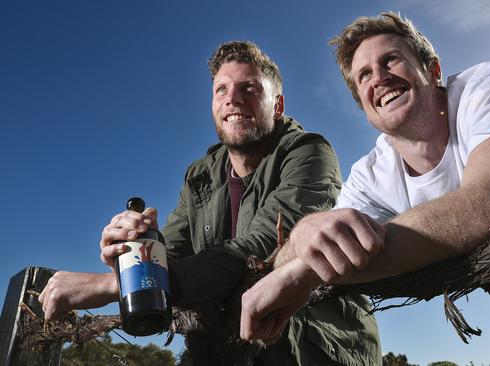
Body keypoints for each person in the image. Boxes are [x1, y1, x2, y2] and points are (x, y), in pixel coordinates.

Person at [239, 13, 490, 366]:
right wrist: (307, 235)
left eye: (391, 60)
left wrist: (304, 272)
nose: (378, 78)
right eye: (363, 75)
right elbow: (327, 241)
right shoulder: (373, 174)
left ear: (432, 70)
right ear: (364, 106)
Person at [38, 40, 381, 366]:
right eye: (222, 90)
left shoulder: (308, 152)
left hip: (312, 349)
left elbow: (265, 249)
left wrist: (113, 286)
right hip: (219, 348)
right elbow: (171, 254)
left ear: (277, 105)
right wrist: (132, 254)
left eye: (249, 88)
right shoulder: (199, 175)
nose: (233, 99)